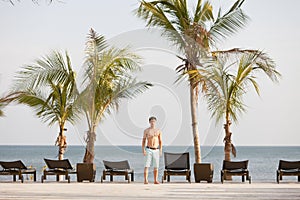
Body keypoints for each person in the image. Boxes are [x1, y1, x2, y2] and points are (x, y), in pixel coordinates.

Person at [142, 116, 162, 184]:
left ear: (155, 122)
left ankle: (155, 180)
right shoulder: (146, 131)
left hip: (156, 149)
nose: (152, 123)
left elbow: (160, 141)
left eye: (154, 121)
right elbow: (144, 141)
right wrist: (143, 150)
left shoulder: (158, 130)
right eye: (151, 121)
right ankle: (145, 180)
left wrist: (160, 150)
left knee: (156, 166)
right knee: (147, 165)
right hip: (148, 149)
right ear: (149, 122)